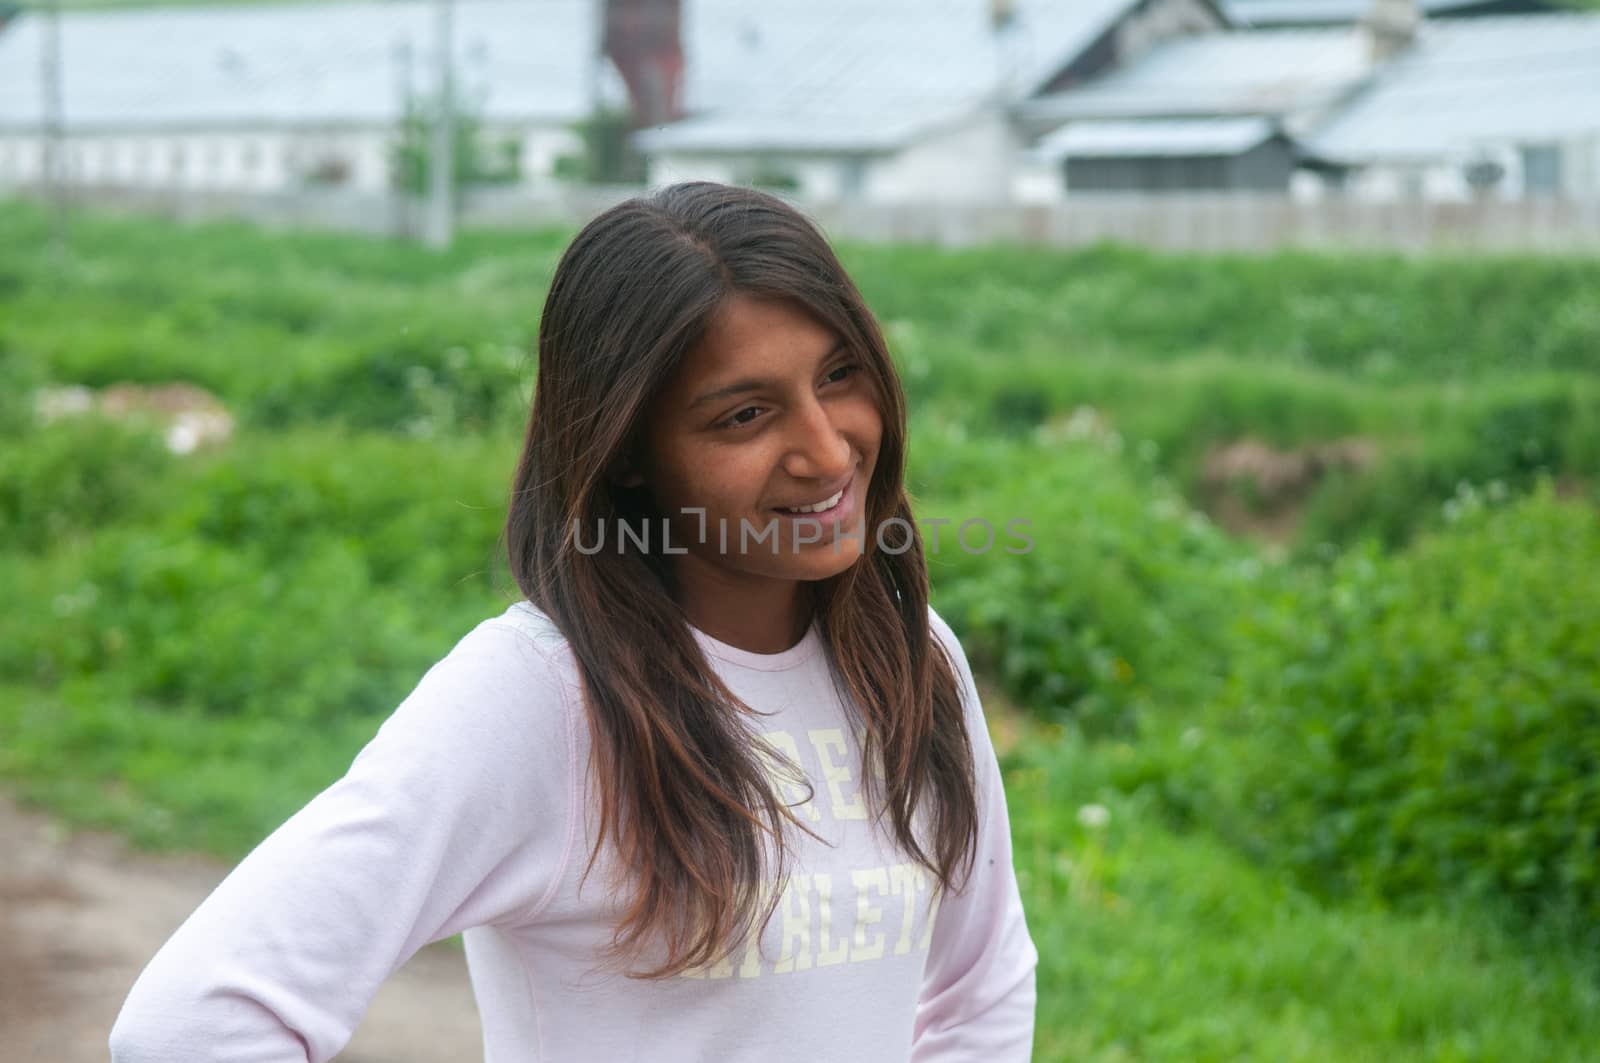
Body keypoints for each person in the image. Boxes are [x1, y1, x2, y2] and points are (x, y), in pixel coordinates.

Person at [108, 182, 1038, 1062]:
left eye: (840, 376)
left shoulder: (912, 661)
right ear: (627, 452)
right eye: (746, 415)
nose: (828, 449)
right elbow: (194, 1020)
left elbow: (980, 984)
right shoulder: (540, 699)